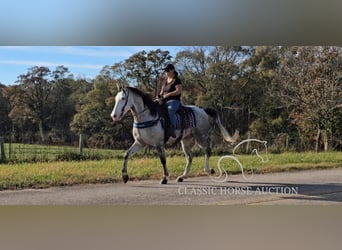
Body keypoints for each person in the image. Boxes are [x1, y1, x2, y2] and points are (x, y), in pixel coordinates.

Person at [159, 63, 182, 138]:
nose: (166, 73)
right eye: (165, 71)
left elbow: (179, 91)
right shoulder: (165, 81)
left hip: (174, 101)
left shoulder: (177, 80)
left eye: (167, 71)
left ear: (172, 70)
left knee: (170, 111)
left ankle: (173, 129)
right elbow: (162, 91)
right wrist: (159, 96)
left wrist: (169, 94)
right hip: (164, 101)